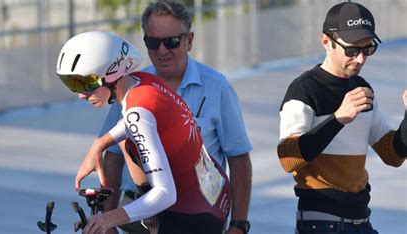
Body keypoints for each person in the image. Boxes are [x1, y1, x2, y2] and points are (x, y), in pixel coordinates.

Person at [56, 31, 232, 234]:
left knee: (128, 145)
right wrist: (99, 144)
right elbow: (138, 121)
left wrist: (107, 219)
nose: (80, 94)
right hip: (214, 193)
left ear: (112, 73)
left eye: (85, 83)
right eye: (71, 84)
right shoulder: (142, 81)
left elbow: (165, 194)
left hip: (193, 217)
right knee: (125, 141)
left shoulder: (136, 112)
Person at [100, 1, 253, 234]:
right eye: (153, 42)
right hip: (139, 214)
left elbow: (239, 158)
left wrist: (239, 225)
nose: (162, 51)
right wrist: (106, 221)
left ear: (189, 40)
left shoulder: (217, 87)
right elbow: (112, 157)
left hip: (197, 218)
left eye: (171, 41)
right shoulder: (129, 84)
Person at [277, 2, 407, 234]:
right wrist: (338, 119)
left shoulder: (362, 88)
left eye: (367, 49)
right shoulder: (304, 90)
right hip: (320, 223)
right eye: (351, 50)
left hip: (361, 221)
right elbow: (288, 159)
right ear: (326, 41)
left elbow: (392, 155)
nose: (360, 59)